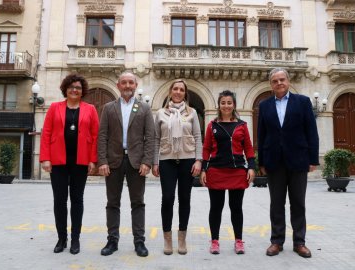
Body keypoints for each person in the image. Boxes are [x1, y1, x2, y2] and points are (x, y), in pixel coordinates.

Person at [257, 67, 319, 258]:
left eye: (282, 79)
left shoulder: (303, 102)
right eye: (275, 81)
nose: (279, 83)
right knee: (276, 203)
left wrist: (313, 159)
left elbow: (311, 132)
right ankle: (276, 241)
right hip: (274, 161)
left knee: (298, 202)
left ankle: (299, 242)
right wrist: (262, 161)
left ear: (288, 81)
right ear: (271, 84)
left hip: (298, 160)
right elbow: (261, 134)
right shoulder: (264, 105)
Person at [40, 73, 99, 255]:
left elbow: (95, 136)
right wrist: (45, 158)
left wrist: (92, 160)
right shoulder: (54, 108)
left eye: (78, 87)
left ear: (83, 91)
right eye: (71, 87)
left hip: (80, 161)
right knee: (59, 200)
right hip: (58, 161)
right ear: (65, 89)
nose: (75, 90)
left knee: (77, 200)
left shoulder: (90, 109)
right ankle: (61, 238)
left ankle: (75, 239)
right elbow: (46, 133)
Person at [98, 72, 155, 257]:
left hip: (136, 162)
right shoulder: (108, 108)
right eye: (124, 82)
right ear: (118, 85)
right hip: (113, 161)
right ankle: (112, 241)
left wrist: (147, 161)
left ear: (136, 84)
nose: (127, 85)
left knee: (137, 203)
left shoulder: (144, 108)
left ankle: (139, 242)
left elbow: (150, 137)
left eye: (131, 82)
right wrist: (103, 161)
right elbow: (102, 136)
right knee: (112, 203)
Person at [200, 90, 255, 255]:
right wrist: (204, 168)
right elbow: (206, 148)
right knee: (216, 208)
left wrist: (251, 166)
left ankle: (238, 241)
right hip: (216, 171)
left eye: (229, 103)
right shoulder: (212, 125)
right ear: (219, 105)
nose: (226, 106)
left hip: (238, 170)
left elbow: (248, 148)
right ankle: (215, 241)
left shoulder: (242, 125)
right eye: (223, 103)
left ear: (234, 105)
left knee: (236, 207)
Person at [152, 79, 202, 255]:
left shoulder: (192, 113)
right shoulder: (160, 113)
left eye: (181, 89)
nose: (178, 92)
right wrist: (155, 161)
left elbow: (197, 135)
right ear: (170, 91)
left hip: (187, 160)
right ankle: (167, 239)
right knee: (167, 198)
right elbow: (156, 138)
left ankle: (182, 238)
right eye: (175, 88)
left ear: (185, 93)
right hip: (167, 160)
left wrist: (198, 160)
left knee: (184, 199)